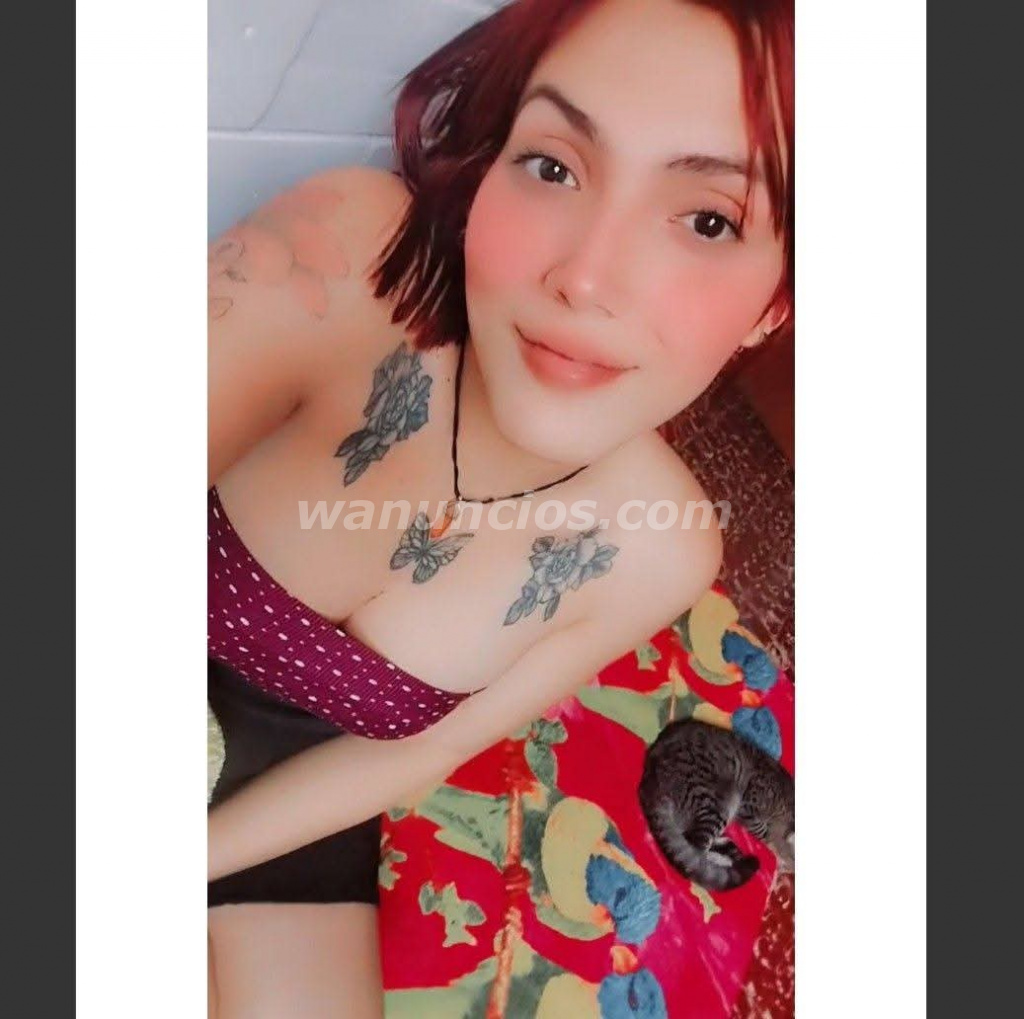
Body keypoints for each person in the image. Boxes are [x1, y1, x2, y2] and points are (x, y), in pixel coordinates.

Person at [206, 0, 793, 1014]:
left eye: (708, 220)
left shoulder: (664, 550)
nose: (584, 278)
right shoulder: (341, 260)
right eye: (553, 166)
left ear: (773, 304)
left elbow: (421, 746)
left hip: (291, 798)